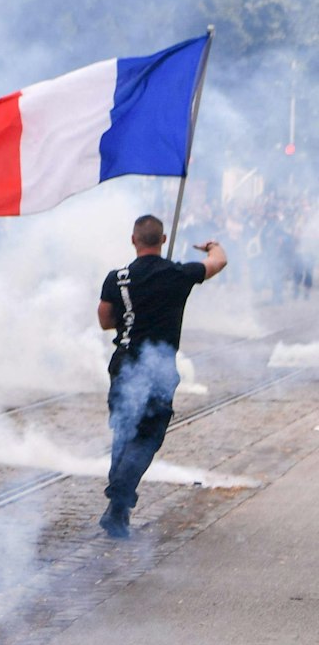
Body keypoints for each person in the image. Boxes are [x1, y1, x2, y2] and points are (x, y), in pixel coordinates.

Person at [96, 215, 227, 539]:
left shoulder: (118, 277)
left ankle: (119, 507)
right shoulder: (177, 274)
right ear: (163, 240)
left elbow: (104, 320)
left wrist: (132, 319)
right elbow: (218, 261)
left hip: (124, 363)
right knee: (147, 437)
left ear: (134, 240)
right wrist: (211, 245)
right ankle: (119, 499)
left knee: (124, 431)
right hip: (158, 369)